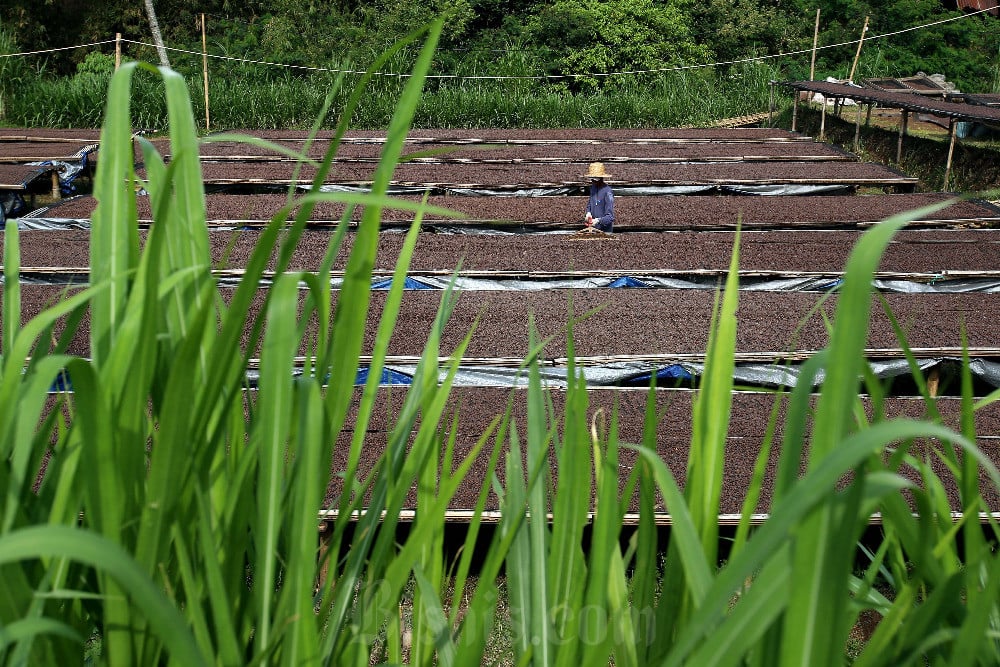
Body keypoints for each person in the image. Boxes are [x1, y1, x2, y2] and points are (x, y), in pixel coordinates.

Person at [583, 162, 615, 233]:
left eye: (595, 180)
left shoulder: (607, 192)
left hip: (605, 231)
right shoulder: (593, 188)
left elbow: (610, 217)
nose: (593, 181)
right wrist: (588, 213)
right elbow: (590, 204)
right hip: (593, 229)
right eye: (592, 179)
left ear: (601, 178)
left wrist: (598, 220)